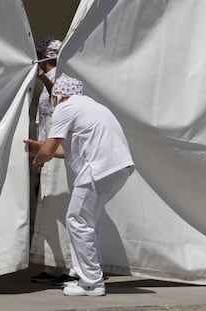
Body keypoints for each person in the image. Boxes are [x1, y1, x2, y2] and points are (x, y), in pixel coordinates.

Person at [24, 76, 134, 296]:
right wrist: (42, 148)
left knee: (77, 220)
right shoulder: (92, 107)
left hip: (99, 169)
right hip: (119, 168)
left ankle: (91, 282)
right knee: (88, 221)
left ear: (59, 96)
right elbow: (66, 151)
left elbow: (50, 148)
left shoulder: (66, 107)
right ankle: (86, 273)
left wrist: (39, 158)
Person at [30, 37, 79, 286]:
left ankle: (70, 265)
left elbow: (62, 101)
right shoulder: (54, 75)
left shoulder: (65, 75)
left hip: (59, 151)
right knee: (49, 207)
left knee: (62, 205)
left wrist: (44, 79)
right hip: (48, 150)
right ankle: (54, 265)